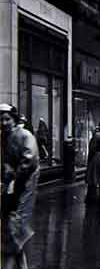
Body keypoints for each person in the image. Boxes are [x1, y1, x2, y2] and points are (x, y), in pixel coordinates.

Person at [1, 104, 40, 269]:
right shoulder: (5, 136)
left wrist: (15, 174)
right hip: (11, 186)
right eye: (1, 120)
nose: (4, 123)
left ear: (14, 119)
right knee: (11, 229)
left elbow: (29, 160)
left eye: (7, 119)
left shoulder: (24, 135)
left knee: (14, 228)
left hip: (23, 186)